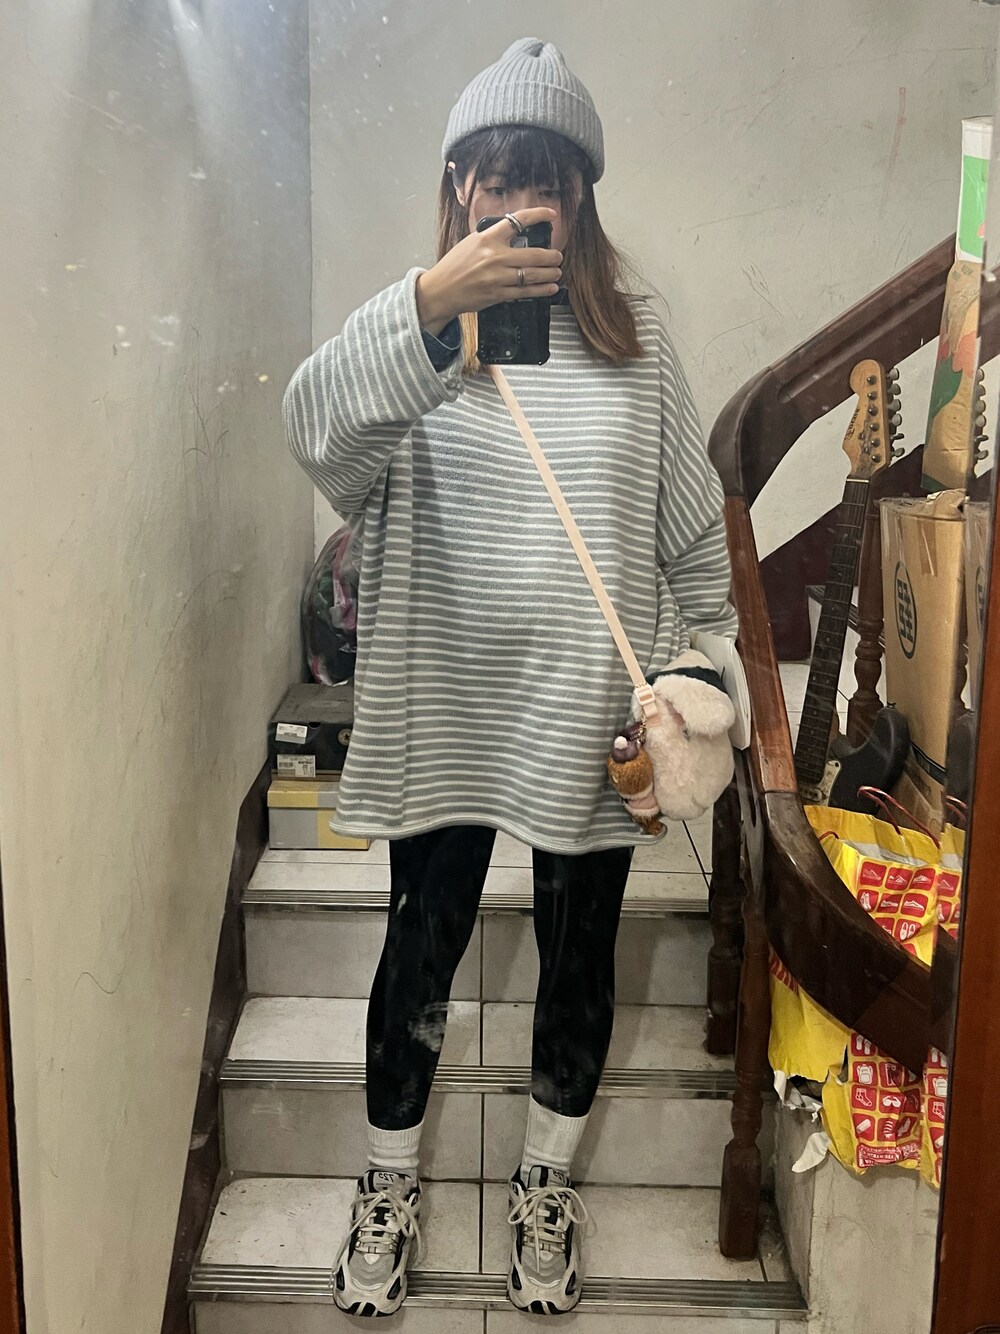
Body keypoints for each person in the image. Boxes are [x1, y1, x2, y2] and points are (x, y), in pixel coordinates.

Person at [284, 36, 737, 1319]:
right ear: (456, 188)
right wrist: (431, 303)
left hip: (584, 719)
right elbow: (310, 429)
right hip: (442, 709)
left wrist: (702, 667)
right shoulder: (410, 340)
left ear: (579, 198)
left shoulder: (634, 339)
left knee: (577, 957)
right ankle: (389, 1178)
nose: (516, 202)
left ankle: (543, 1179)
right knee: (414, 956)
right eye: (492, 176)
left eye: (542, 179)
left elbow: (691, 532)